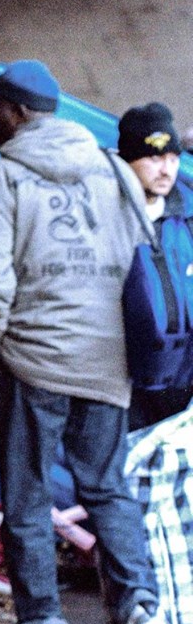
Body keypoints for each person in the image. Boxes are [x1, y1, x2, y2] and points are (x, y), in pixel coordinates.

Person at [0, 60, 173, 624]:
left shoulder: (1, 182)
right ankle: (139, 610)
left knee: (27, 496)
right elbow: (140, 263)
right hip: (109, 363)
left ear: (16, 112)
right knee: (107, 488)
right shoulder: (115, 171)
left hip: (33, 361)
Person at [117, 102, 192, 428]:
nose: (166, 170)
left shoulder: (186, 218)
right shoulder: (104, 218)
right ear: (127, 161)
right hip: (120, 385)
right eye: (153, 158)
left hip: (183, 384)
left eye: (173, 159)